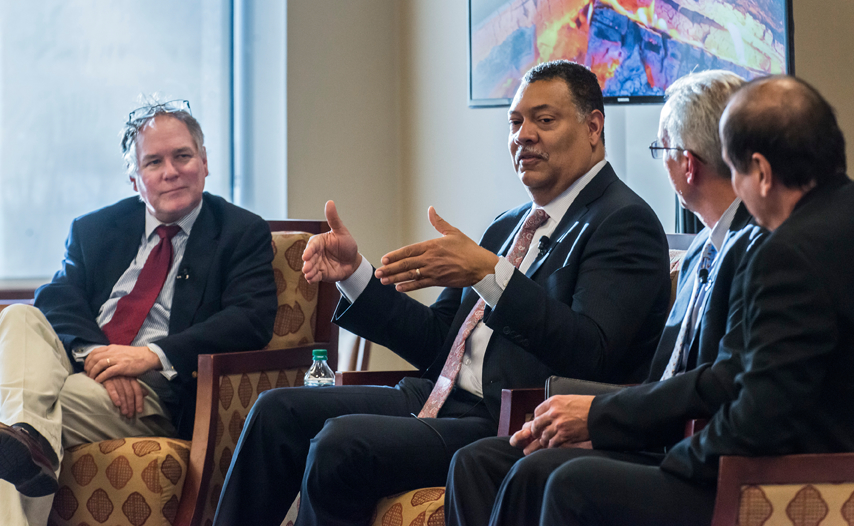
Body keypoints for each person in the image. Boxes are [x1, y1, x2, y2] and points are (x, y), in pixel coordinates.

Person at [212, 61, 670, 526]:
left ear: (593, 126)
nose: (523, 136)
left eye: (544, 120)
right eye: (515, 122)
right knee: (277, 411)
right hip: (434, 395)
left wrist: (492, 275)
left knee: (340, 443)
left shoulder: (622, 222)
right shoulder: (507, 225)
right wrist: (354, 275)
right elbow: (437, 343)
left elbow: (590, 352)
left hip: (502, 420)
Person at [491, 75, 854, 526]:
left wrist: (670, 461)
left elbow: (756, 412)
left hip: (795, 481)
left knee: (571, 486)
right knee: (545, 473)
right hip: (814, 462)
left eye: (736, 171)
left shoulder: (784, 253)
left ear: (760, 173)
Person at [445, 69, 766, 526]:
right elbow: (668, 375)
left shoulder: (751, 246)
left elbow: (719, 382)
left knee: (545, 475)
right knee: (483, 461)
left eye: (662, 150)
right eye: (515, 122)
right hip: (656, 429)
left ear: (687, 164)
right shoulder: (701, 250)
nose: (523, 136)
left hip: (708, 455)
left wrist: (602, 420)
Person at [0, 99, 278, 526]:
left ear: (204, 162)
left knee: (20, 412)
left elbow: (250, 319)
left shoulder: (241, 233)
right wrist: (98, 355)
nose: (171, 171)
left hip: (161, 393)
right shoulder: (95, 229)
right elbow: (57, 296)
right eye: (154, 162)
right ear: (135, 179)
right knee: (18, 318)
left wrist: (150, 356)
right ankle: (26, 435)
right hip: (87, 369)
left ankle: (24, 432)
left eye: (182, 156)